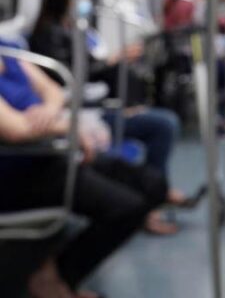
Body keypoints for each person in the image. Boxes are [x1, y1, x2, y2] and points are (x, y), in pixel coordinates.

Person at [29, 0, 203, 234]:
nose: (85, 1)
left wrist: (124, 95)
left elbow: (93, 69)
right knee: (162, 125)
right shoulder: (48, 36)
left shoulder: (75, 29)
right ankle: (152, 202)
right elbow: (70, 76)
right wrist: (113, 60)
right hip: (86, 113)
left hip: (99, 106)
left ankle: (157, 194)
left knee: (164, 124)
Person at [0, 39, 166, 298]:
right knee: (127, 208)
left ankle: (52, 263)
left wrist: (47, 111)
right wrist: (68, 127)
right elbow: (16, 130)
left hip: (53, 154)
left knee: (153, 185)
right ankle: (53, 277)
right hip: (21, 172)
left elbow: (53, 90)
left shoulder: (7, 50)